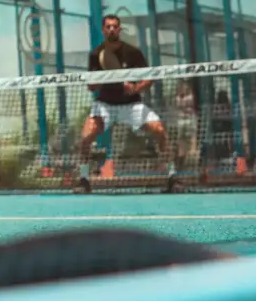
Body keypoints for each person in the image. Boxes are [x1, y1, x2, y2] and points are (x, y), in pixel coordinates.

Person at [75, 15, 180, 193]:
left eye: (115, 26)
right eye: (108, 27)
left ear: (119, 29)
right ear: (103, 30)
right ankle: (83, 180)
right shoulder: (95, 54)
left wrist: (136, 88)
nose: (111, 30)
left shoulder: (133, 52)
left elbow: (149, 77)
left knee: (159, 130)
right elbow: (91, 86)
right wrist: (104, 80)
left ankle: (172, 176)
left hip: (132, 105)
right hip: (105, 105)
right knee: (86, 137)